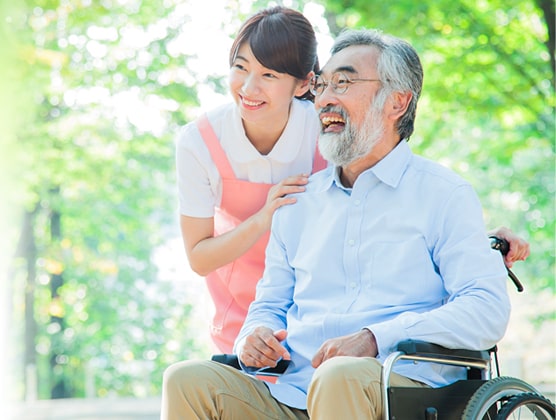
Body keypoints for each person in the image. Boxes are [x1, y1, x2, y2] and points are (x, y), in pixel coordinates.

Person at [163, 27, 527, 419]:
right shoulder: (297, 203)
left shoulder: (443, 195)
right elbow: (269, 304)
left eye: (345, 83)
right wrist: (256, 336)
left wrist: (375, 338)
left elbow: (486, 309)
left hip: (397, 392)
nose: (325, 99)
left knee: (339, 377)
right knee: (187, 379)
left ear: (397, 102)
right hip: (294, 393)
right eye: (323, 85)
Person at [176, 6, 326, 354]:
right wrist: (264, 218)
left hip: (316, 310)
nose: (248, 87)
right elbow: (199, 258)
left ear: (303, 82)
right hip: (238, 319)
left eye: (269, 75)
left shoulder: (323, 132)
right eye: (241, 67)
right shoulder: (199, 141)